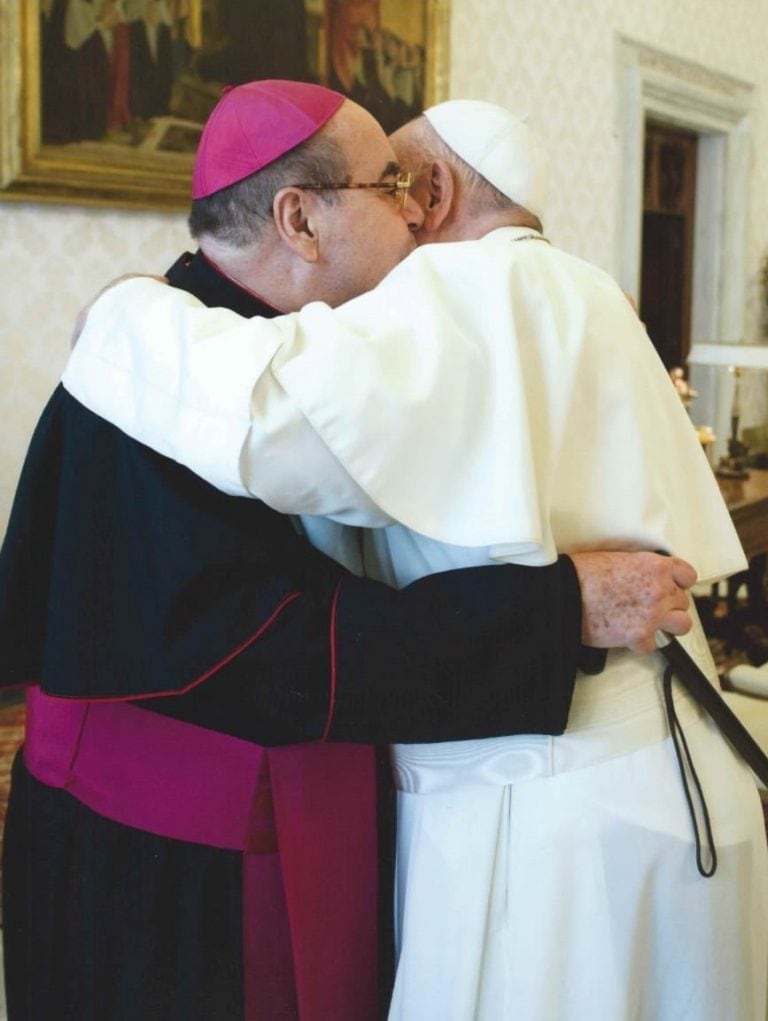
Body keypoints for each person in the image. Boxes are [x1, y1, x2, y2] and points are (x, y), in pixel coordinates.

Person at [0, 81, 694, 1021]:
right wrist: (563, 605)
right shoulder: (176, 385)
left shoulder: (230, 340)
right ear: (300, 220)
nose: (417, 212)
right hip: (173, 871)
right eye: (391, 184)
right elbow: (285, 646)